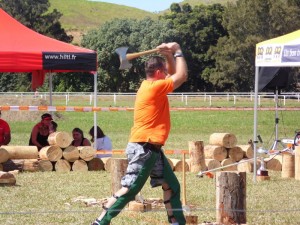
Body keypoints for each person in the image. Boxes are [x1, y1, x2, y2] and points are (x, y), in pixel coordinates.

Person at [92, 42, 188, 225]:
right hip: (144, 148)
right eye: (165, 72)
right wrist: (177, 50)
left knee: (172, 186)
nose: (167, 75)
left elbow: (173, 73)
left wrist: (168, 55)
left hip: (151, 148)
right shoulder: (155, 88)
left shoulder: (150, 85)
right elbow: (181, 76)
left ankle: (177, 222)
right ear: (159, 73)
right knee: (130, 188)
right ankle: (100, 222)